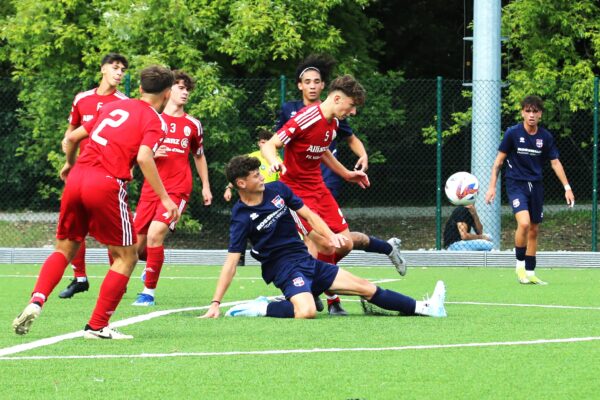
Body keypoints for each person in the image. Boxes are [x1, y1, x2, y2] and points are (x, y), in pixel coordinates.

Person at [12, 65, 180, 339]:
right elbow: (144, 157)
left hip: (78, 177)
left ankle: (37, 300)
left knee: (64, 248)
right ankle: (98, 325)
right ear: (167, 93)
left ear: (139, 88)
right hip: (106, 183)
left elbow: (71, 137)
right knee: (126, 256)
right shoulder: (155, 121)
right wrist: (165, 198)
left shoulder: (112, 108)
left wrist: (68, 164)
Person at [200, 155, 446, 319]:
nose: (262, 177)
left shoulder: (278, 190)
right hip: (284, 269)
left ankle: (426, 308)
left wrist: (331, 235)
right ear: (241, 183)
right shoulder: (241, 216)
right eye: (255, 175)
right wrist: (215, 302)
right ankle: (262, 307)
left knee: (366, 287)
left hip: (307, 261)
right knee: (307, 311)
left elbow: (309, 214)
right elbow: (232, 262)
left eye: (260, 172)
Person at [265, 73, 405, 316]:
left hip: (318, 188)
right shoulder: (305, 118)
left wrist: (347, 174)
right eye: (351, 106)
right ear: (338, 98)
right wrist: (274, 161)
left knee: (345, 243)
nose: (353, 112)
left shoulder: (333, 124)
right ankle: (306, 292)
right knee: (316, 241)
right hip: (295, 190)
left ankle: (314, 285)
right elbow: (270, 144)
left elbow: (323, 152)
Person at [132, 70, 212, 306]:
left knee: (156, 234)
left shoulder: (193, 124)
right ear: (168, 91)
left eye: (187, 88)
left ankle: (148, 293)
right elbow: (136, 152)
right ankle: (151, 265)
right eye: (180, 87)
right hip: (151, 190)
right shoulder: (151, 119)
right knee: (136, 246)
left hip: (178, 189)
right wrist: (151, 153)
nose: (185, 92)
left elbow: (199, 156)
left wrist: (205, 186)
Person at [58, 53, 129, 299]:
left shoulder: (123, 102)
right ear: (103, 69)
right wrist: (69, 158)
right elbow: (71, 132)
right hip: (82, 171)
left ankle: (116, 276)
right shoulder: (82, 99)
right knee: (74, 228)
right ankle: (80, 278)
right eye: (115, 67)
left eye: (123, 70)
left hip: (109, 174)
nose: (119, 73)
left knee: (112, 231)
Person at [484, 95, 575, 285]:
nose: (531, 115)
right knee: (524, 223)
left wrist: (567, 188)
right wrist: (492, 187)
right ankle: (519, 266)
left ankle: (531, 272)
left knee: (534, 229)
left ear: (540, 114)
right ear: (522, 113)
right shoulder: (512, 133)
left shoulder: (545, 137)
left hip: (536, 185)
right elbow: (498, 162)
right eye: (528, 111)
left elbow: (555, 162)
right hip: (515, 183)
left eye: (535, 111)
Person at [223, 129, 280, 202]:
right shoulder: (251, 157)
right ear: (259, 143)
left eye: (267, 143)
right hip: (252, 196)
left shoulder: (277, 161)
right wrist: (229, 188)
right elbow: (238, 173)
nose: (265, 145)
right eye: (263, 142)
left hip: (271, 197)